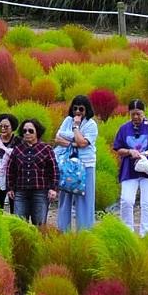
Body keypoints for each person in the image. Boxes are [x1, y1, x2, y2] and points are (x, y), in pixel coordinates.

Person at [113, 99, 148, 237]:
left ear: (144, 113)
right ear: (129, 113)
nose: (136, 117)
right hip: (129, 170)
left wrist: (146, 153)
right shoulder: (124, 129)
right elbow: (118, 148)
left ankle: (145, 235)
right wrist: (130, 152)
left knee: (147, 203)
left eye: (138, 114)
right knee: (126, 200)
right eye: (133, 114)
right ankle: (127, 232)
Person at [54, 95, 98, 232]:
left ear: (87, 110)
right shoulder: (67, 120)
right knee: (65, 198)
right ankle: (63, 232)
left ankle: (85, 232)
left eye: (81, 109)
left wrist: (76, 127)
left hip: (85, 166)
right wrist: (74, 142)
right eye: (75, 109)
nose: (77, 112)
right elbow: (57, 138)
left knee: (85, 200)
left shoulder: (91, 124)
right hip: (67, 164)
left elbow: (83, 142)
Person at [5, 118, 58, 226]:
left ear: (37, 132)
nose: (27, 133)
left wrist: (53, 188)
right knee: (19, 225)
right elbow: (11, 170)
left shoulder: (46, 149)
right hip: (21, 192)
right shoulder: (17, 149)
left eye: (30, 131)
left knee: (39, 225)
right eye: (24, 131)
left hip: (40, 192)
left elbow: (54, 170)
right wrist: (10, 188)